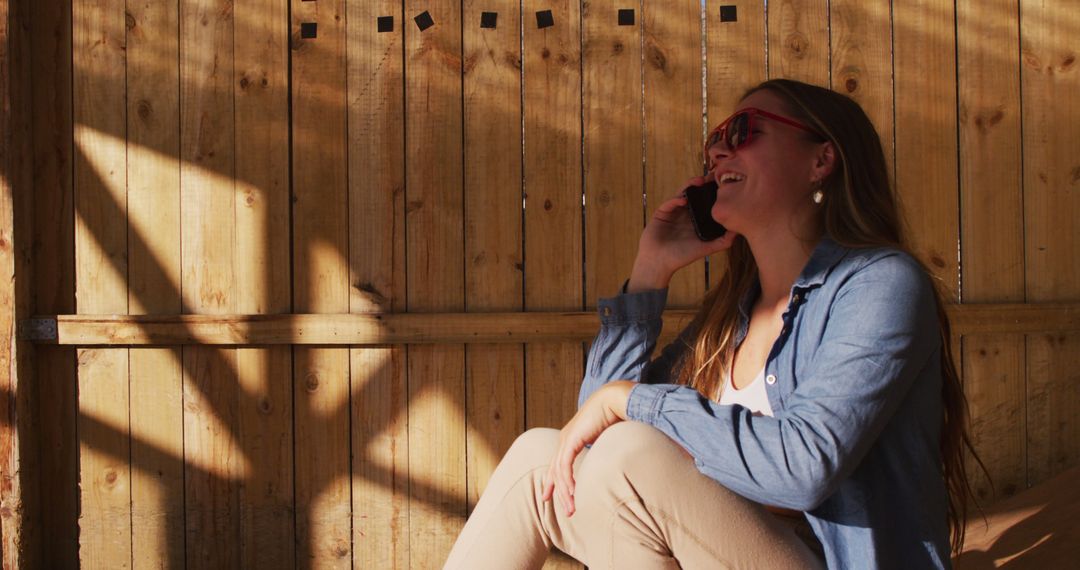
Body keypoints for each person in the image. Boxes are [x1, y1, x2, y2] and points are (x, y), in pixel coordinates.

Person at [443, 78, 976, 569]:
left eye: (742, 132)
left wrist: (634, 401)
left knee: (633, 450)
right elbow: (592, 429)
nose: (719, 150)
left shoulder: (880, 284)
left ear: (822, 159)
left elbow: (804, 468)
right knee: (542, 451)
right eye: (715, 139)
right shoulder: (731, 317)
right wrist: (649, 273)